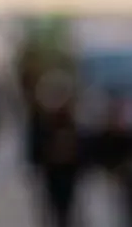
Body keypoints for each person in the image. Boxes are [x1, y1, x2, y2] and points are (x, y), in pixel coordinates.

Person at [30, 74, 82, 227]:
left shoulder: (70, 119)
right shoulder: (41, 120)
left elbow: (81, 144)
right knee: (52, 204)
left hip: (68, 169)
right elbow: (35, 145)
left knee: (66, 206)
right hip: (51, 169)